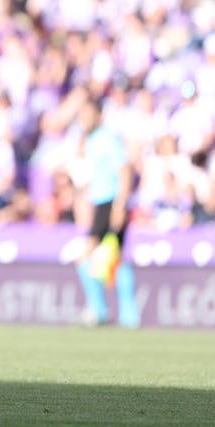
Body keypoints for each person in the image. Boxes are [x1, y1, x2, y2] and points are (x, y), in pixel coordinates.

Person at [73, 100, 141, 328]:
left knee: (88, 256)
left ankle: (100, 310)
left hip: (111, 203)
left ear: (99, 116)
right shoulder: (91, 141)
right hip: (101, 203)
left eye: (88, 114)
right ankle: (127, 315)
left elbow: (123, 170)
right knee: (116, 258)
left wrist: (120, 205)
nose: (83, 119)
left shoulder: (107, 140)